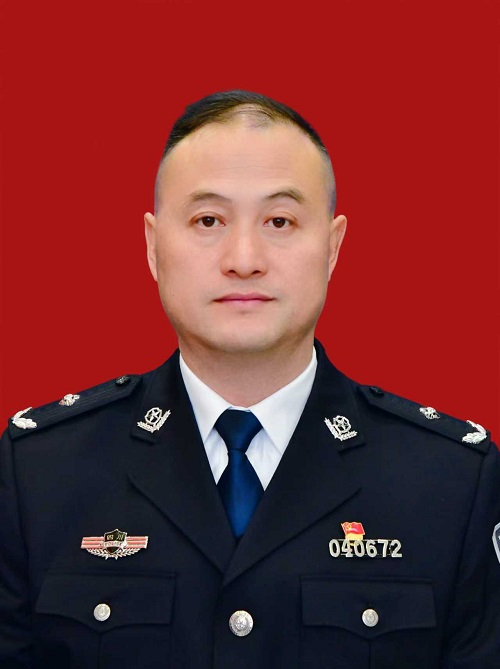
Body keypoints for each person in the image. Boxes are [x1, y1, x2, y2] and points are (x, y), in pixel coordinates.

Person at [0, 90, 499, 669]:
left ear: (333, 247)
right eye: (208, 220)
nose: (243, 258)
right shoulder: (40, 473)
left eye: (279, 221)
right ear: (154, 246)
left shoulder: (452, 482)